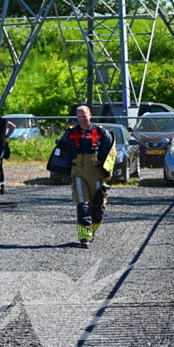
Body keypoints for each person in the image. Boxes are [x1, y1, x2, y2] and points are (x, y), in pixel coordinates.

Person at [61, 105, 116, 248]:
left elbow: (110, 153)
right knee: (82, 204)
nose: (81, 119)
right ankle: (84, 236)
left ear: (90, 115)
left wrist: (106, 173)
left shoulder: (101, 132)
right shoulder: (70, 133)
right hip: (78, 171)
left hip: (96, 171)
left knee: (97, 205)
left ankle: (92, 229)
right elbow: (62, 150)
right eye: (79, 117)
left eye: (84, 116)